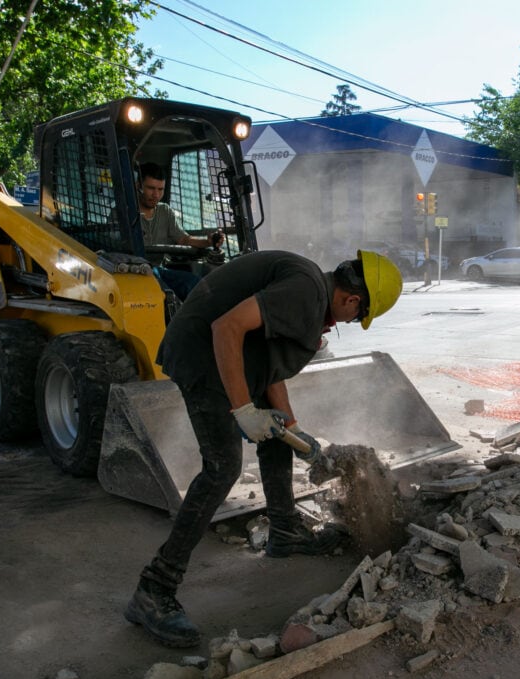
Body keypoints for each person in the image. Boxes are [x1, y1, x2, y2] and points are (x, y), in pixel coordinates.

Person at [124, 248, 403, 648]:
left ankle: (284, 530)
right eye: (358, 317)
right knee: (222, 468)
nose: (351, 321)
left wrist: (290, 426)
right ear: (352, 300)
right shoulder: (305, 293)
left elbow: (269, 363)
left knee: (274, 435)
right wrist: (242, 409)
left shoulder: (311, 292)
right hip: (203, 356)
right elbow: (226, 328)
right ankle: (153, 589)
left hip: (227, 354)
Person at [137, 162, 224, 299]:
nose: (156, 195)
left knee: (194, 284)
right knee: (162, 289)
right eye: (151, 188)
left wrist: (207, 242)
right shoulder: (125, 212)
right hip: (133, 272)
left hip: (157, 270)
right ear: (139, 186)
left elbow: (184, 239)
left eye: (160, 189)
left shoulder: (165, 211)